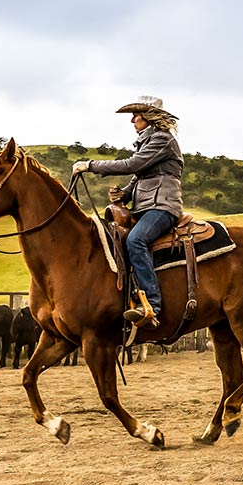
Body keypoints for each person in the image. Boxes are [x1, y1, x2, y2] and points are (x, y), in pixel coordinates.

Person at [72, 96, 184, 328]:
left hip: (162, 207)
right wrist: (125, 194)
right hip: (145, 207)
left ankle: (151, 303)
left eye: (136, 116)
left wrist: (90, 165)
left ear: (149, 118)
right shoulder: (149, 142)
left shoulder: (162, 140)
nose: (132, 120)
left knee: (136, 240)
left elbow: (132, 165)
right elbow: (139, 176)